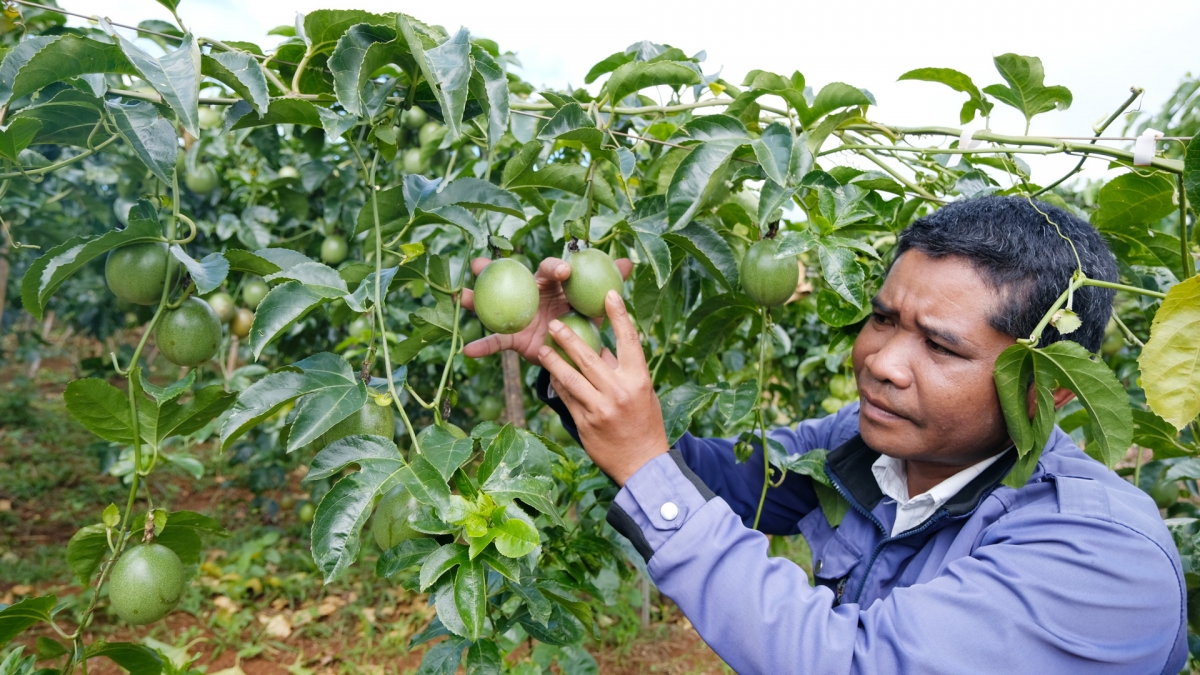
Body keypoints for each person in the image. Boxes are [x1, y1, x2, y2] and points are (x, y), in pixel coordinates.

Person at [462, 196, 1186, 674]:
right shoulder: (864, 446)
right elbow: (723, 483)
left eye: (940, 346)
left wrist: (645, 462)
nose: (881, 362)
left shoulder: (1104, 556)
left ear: (1047, 385)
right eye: (882, 319)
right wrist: (570, 356)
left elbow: (857, 663)